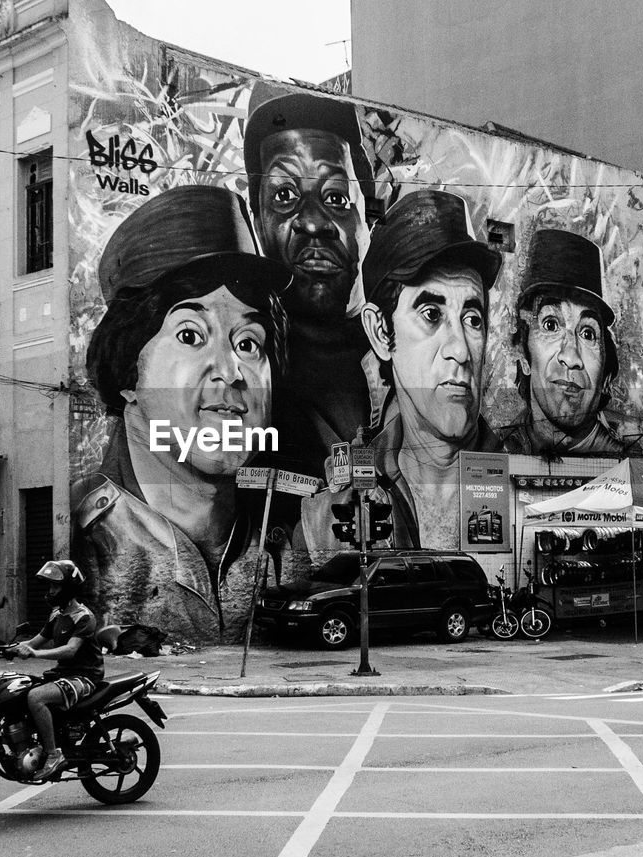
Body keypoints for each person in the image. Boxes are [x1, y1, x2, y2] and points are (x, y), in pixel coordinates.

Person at [75, 184, 295, 643]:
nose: (232, 372)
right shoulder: (85, 540)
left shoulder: (290, 539)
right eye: (192, 335)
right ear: (126, 372)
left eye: (249, 343)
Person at [300, 190, 503, 551]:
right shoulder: (334, 509)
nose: (459, 350)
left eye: (472, 319)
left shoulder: (521, 476)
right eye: (431, 315)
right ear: (381, 333)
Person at [244, 82, 382, 476]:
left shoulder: (406, 363)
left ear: (366, 222)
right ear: (257, 222)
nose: (312, 221)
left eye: (336, 198)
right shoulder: (242, 384)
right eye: (284, 196)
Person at [503, 227, 627, 456]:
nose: (571, 357)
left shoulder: (626, 461)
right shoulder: (499, 451)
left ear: (605, 373)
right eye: (551, 325)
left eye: (588, 333)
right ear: (523, 353)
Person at [9, 560, 104, 782]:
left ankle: (54, 755)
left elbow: (70, 650)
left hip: (85, 677)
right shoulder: (56, 615)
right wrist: (9, 649)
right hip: (64, 675)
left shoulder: (84, 617)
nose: (51, 591)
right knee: (21, 690)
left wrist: (34, 654)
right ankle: (40, 744)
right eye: (49, 586)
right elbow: (36, 641)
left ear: (68, 589)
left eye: (55, 587)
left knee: (36, 697)